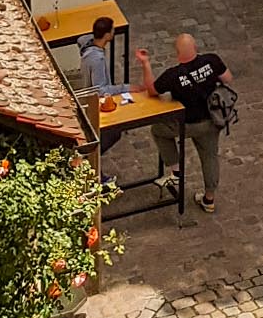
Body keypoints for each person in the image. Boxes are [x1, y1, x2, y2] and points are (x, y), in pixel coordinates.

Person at [135, 31, 232, 214]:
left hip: (184, 124)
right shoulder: (212, 61)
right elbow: (227, 78)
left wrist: (146, 63)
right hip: (211, 121)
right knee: (210, 157)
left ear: (177, 53)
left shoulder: (173, 76)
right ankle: (209, 199)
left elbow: (152, 90)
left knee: (158, 130)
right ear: (196, 48)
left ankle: (176, 169)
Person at [77, 16, 117, 96]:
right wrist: (126, 88)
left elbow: (81, 39)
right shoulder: (97, 59)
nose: (114, 32)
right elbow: (100, 90)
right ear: (107, 35)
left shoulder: (86, 43)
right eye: (112, 30)